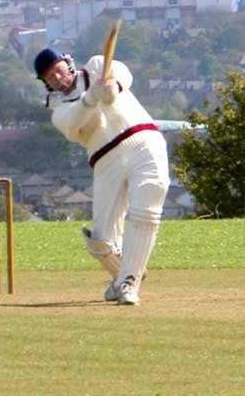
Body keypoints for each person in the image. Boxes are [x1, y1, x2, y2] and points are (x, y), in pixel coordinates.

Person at [34, 47, 170, 305]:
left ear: (68, 63)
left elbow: (123, 74)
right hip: (106, 161)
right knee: (100, 241)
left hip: (142, 141)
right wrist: (89, 99)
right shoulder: (59, 113)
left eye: (58, 70)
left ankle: (128, 283)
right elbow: (73, 125)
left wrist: (112, 87)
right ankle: (125, 275)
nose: (57, 78)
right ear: (46, 84)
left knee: (147, 208)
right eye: (50, 77)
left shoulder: (97, 66)